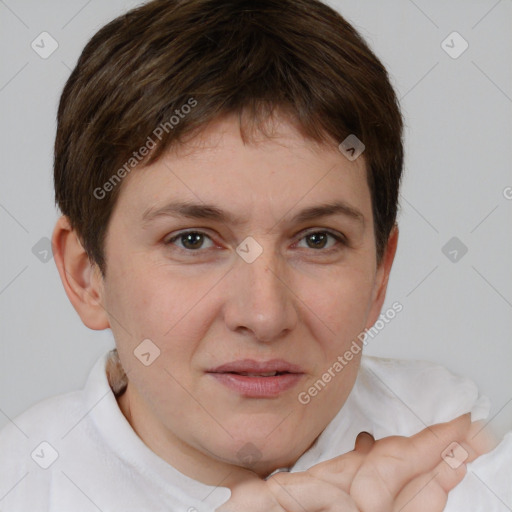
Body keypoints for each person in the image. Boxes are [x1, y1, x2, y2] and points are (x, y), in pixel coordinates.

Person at [0, 0, 510, 510]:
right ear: (87, 274)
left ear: (380, 274)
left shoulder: (455, 447)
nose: (264, 315)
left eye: (317, 240)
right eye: (193, 240)